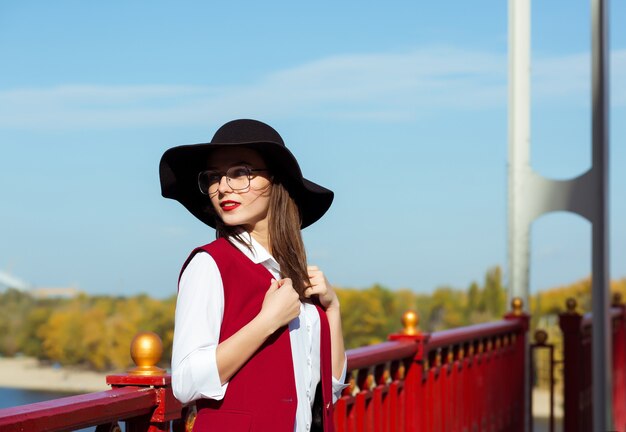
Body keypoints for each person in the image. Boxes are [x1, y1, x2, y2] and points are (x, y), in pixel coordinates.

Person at [159, 119, 347, 432]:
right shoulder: (210, 264)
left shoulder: (291, 277)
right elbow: (186, 381)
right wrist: (266, 322)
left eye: (240, 172)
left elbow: (329, 389)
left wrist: (333, 310)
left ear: (276, 181)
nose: (223, 187)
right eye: (214, 177)